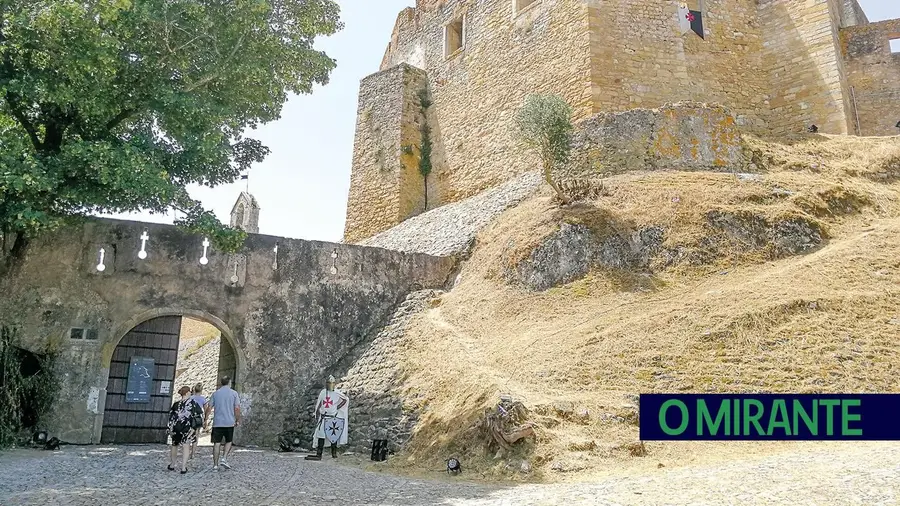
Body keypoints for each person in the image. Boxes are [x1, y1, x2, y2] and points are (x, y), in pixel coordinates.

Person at [305, 375, 349, 461]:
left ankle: (334, 453)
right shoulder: (323, 392)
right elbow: (319, 404)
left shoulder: (337, 392)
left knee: (333, 435)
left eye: (332, 383)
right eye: (329, 383)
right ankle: (319, 453)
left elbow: (345, 399)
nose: (330, 385)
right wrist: (317, 413)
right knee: (321, 435)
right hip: (324, 417)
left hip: (333, 417)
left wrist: (337, 407)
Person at [205, 376, 241, 471]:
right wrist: (237, 419)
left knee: (216, 443)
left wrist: (205, 419)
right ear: (229, 382)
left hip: (218, 422)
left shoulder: (216, 394)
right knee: (228, 441)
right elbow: (237, 408)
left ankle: (215, 465)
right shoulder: (234, 393)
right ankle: (224, 458)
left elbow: (209, 408)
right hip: (229, 422)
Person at [167, 385, 202, 474]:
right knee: (186, 446)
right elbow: (198, 416)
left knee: (174, 446)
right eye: (190, 391)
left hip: (176, 428)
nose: (191, 392)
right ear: (187, 393)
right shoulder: (193, 403)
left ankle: (172, 464)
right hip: (188, 428)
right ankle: (183, 467)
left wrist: (170, 429)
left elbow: (171, 418)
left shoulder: (176, 404)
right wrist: (195, 428)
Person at [188, 383, 207, 460]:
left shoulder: (190, 398)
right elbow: (205, 410)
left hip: (190, 418)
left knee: (189, 435)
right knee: (196, 436)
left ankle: (187, 451)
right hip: (198, 418)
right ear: (201, 390)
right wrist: (205, 419)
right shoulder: (203, 399)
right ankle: (193, 454)